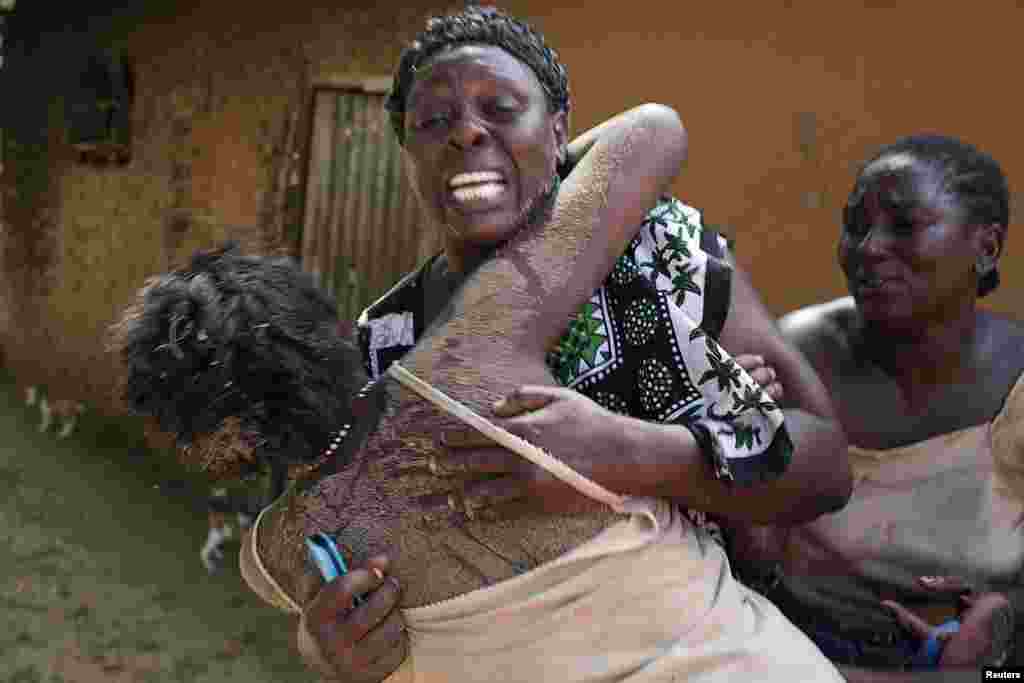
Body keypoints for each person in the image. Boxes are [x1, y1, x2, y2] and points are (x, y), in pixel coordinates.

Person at [286, 6, 849, 682]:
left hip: (695, 649)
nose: (466, 132)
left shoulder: (656, 250)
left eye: (501, 108)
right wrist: (330, 637)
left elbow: (825, 467)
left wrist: (623, 451)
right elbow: (359, 549)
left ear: (558, 133)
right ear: (409, 158)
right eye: (433, 122)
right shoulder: (390, 338)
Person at [727, 134, 1024, 681]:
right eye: (854, 225)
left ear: (986, 248)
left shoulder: (1018, 385)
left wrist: (998, 629)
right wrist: (738, 434)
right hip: (805, 661)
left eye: (904, 225)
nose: (867, 248)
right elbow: (750, 560)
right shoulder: (796, 356)